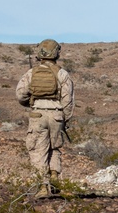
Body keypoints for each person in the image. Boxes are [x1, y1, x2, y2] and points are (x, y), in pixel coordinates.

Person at [15, 39, 75, 198]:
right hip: (56, 114)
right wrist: (64, 119)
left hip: (37, 115)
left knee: (38, 150)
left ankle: (42, 186)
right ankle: (54, 176)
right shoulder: (62, 73)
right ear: (56, 53)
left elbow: (20, 95)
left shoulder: (31, 73)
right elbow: (68, 100)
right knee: (54, 147)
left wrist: (32, 103)